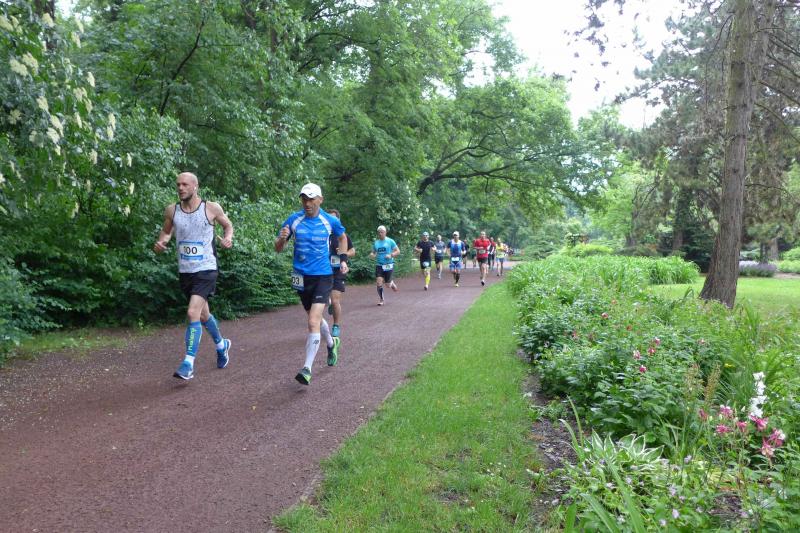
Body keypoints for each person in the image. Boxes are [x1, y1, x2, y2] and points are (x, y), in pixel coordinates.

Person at [154, 172, 233, 381]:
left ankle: (188, 363)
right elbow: (166, 232)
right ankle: (222, 345)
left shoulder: (211, 208)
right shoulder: (172, 210)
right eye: (178, 185)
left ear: (195, 187)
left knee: (192, 312)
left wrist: (228, 238)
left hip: (206, 268)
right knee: (204, 315)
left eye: (185, 185)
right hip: (186, 271)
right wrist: (162, 242)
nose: (180, 188)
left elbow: (228, 225)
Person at [275, 183, 349, 385]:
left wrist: (342, 259)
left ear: (320, 200)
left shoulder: (330, 220)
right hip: (301, 276)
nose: (307, 203)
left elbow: (342, 238)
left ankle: (307, 368)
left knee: (312, 321)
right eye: (304, 199)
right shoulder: (293, 220)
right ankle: (331, 343)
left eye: (311, 199)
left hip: (323, 276)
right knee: (313, 318)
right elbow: (278, 248)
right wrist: (281, 239)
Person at [326, 209, 355, 338]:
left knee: (335, 300)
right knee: (325, 300)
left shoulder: (343, 236)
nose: (331, 221)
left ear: (338, 220)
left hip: (338, 271)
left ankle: (336, 326)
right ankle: (329, 304)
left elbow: (353, 251)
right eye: (328, 218)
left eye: (334, 218)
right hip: (322, 270)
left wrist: (344, 253)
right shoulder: (322, 234)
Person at [370, 225, 400, 305]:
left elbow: (398, 251)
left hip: (388, 265)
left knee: (387, 285)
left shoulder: (390, 241)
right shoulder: (376, 243)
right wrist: (372, 255)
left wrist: (391, 255)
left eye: (382, 232)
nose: (380, 234)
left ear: (385, 232)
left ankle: (391, 283)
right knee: (378, 282)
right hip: (379, 265)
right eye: (379, 232)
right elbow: (373, 252)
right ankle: (381, 299)